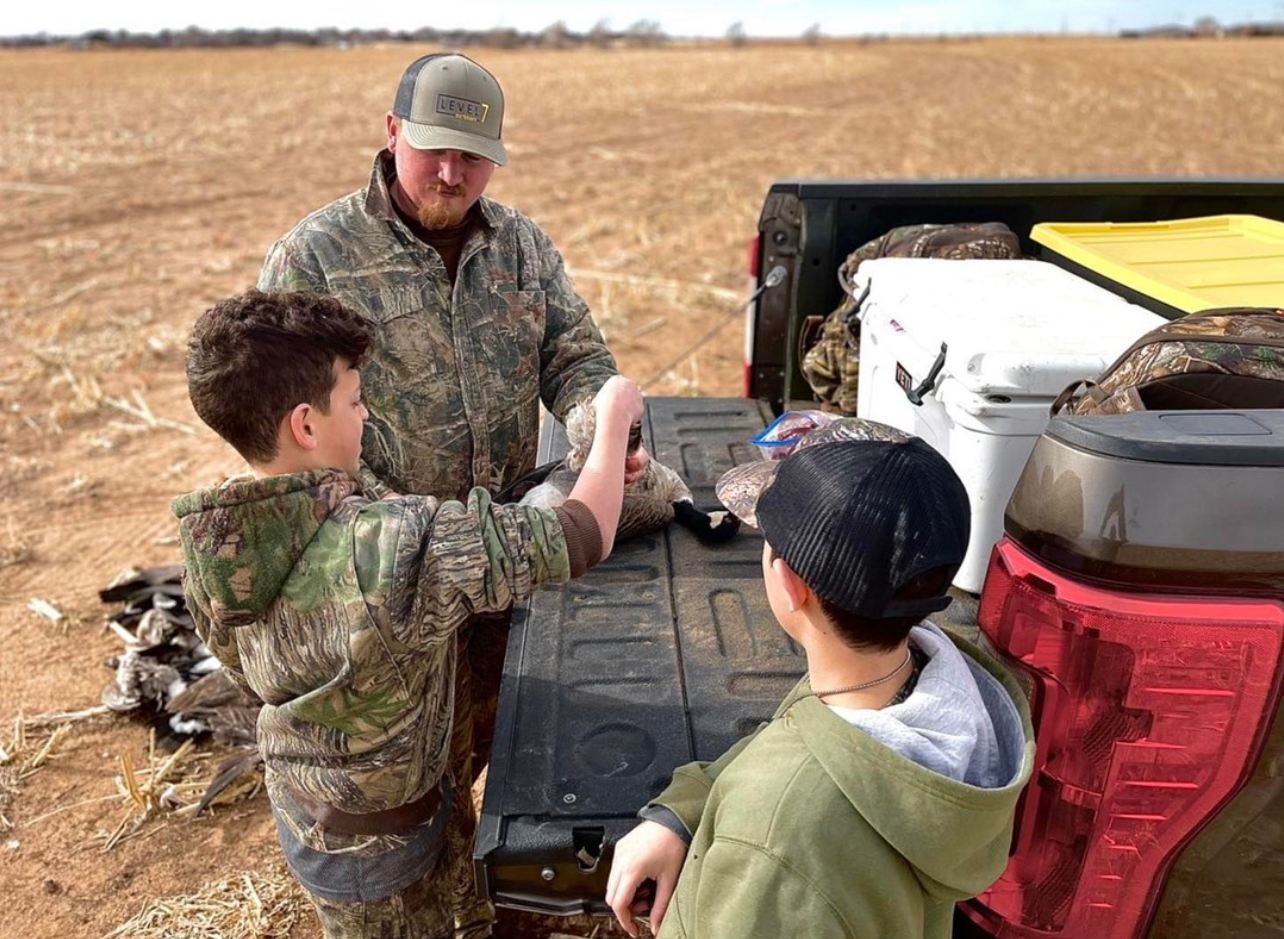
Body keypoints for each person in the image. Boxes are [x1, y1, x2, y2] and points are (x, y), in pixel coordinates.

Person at [256, 52, 645, 935]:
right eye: (433, 149)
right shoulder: (314, 257)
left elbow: (575, 356)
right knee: (414, 796)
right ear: (393, 132)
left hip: (509, 568)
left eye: (473, 158)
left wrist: (601, 428)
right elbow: (289, 439)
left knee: (506, 754)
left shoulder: (521, 247)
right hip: (394, 592)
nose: (449, 173)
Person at [173, 289, 643, 939]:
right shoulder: (393, 545)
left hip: (311, 813)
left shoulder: (216, 533)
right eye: (357, 400)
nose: (365, 418)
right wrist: (614, 416)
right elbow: (579, 533)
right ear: (306, 425)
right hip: (388, 854)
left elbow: (234, 653)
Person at [605, 425, 1036, 939]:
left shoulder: (773, 837)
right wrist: (681, 815)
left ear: (790, 584)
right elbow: (802, 739)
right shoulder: (932, 686)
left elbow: (787, 801)